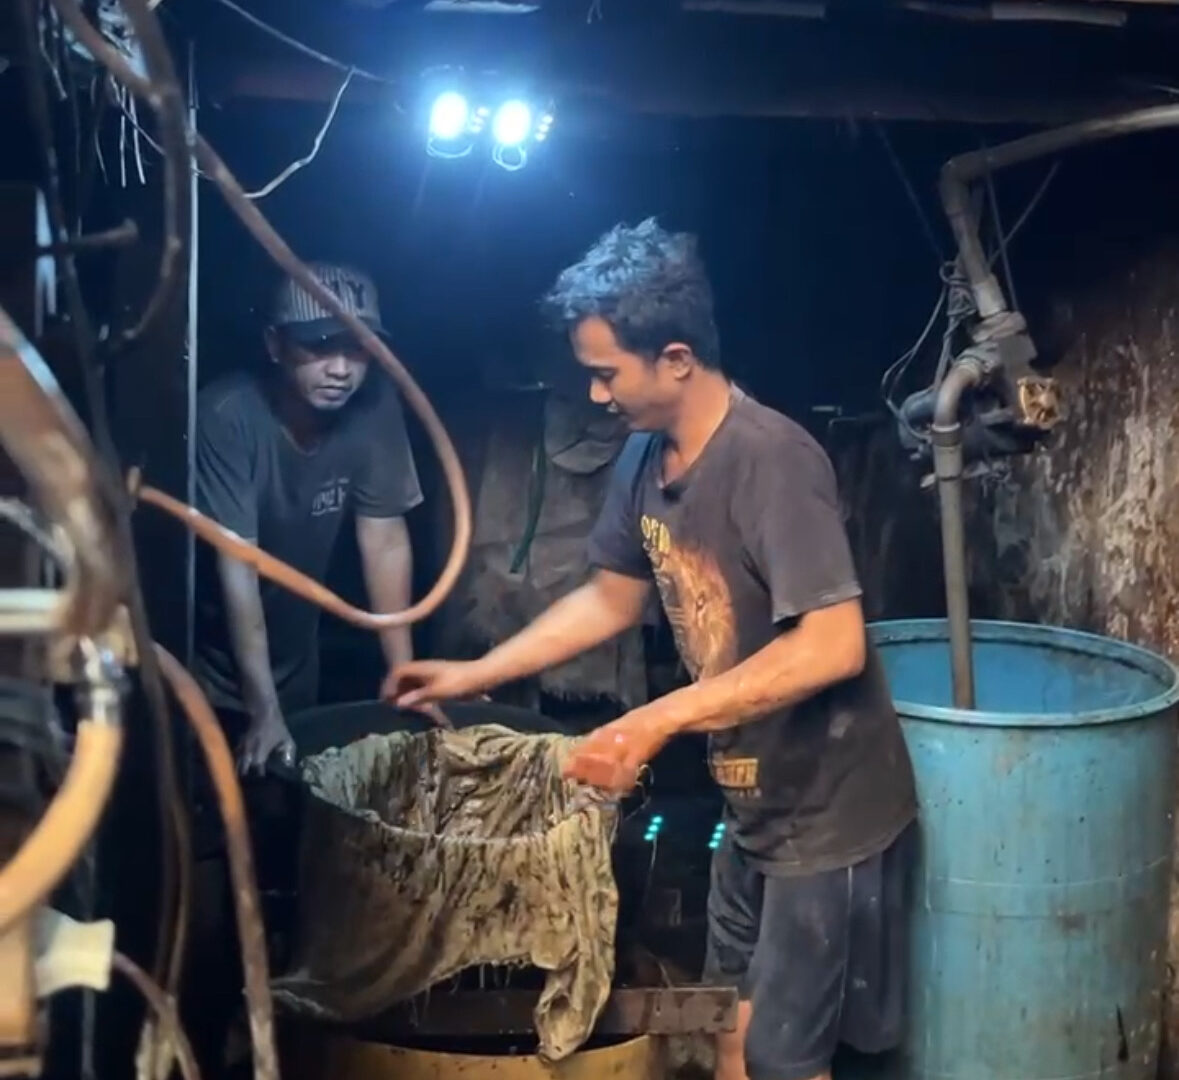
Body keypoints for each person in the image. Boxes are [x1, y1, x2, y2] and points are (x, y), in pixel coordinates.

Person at [385, 220, 918, 1080]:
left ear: (674, 358)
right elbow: (610, 597)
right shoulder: (643, 457)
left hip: (829, 817)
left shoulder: (771, 461)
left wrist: (654, 721)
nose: (596, 396)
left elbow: (832, 646)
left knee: (790, 1062)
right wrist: (476, 671)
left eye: (605, 374)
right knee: (731, 1036)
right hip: (752, 806)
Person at [194, 262, 423, 774]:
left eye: (356, 347)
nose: (341, 368)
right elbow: (238, 564)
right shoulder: (227, 415)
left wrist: (405, 673)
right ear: (276, 345)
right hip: (208, 671)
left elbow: (384, 538)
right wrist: (263, 709)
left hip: (300, 667)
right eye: (319, 346)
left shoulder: (372, 406)